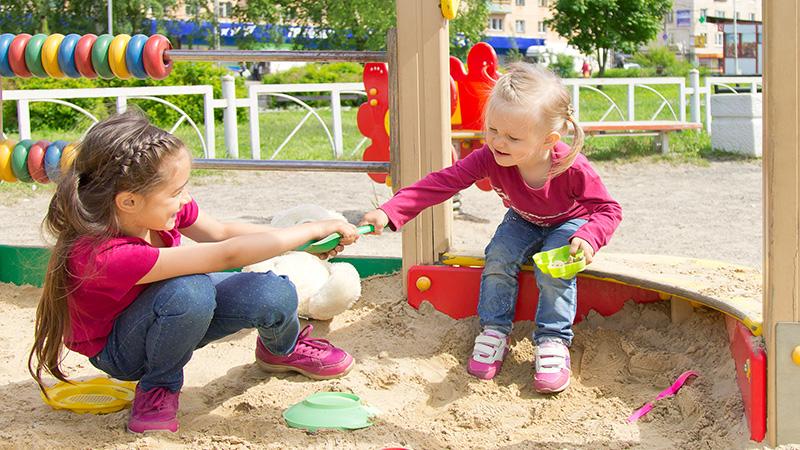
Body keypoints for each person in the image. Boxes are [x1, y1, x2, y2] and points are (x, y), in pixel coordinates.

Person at [28, 111, 359, 433]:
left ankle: (280, 350)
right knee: (190, 289)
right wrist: (309, 229)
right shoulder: (103, 255)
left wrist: (302, 243)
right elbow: (226, 254)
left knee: (274, 292)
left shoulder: (155, 210)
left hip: (174, 311)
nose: (185, 198)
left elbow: (220, 233)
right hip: (123, 350)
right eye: (175, 192)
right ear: (128, 202)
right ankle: (159, 386)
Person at [359, 63, 622, 394]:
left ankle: (552, 340)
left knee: (554, 267)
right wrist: (389, 211)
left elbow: (608, 209)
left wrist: (589, 237)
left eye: (512, 137)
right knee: (498, 255)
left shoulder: (571, 167)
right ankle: (495, 330)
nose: (498, 141)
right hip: (523, 218)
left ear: (548, 140)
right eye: (493, 129)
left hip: (569, 222)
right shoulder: (488, 157)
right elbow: (443, 182)